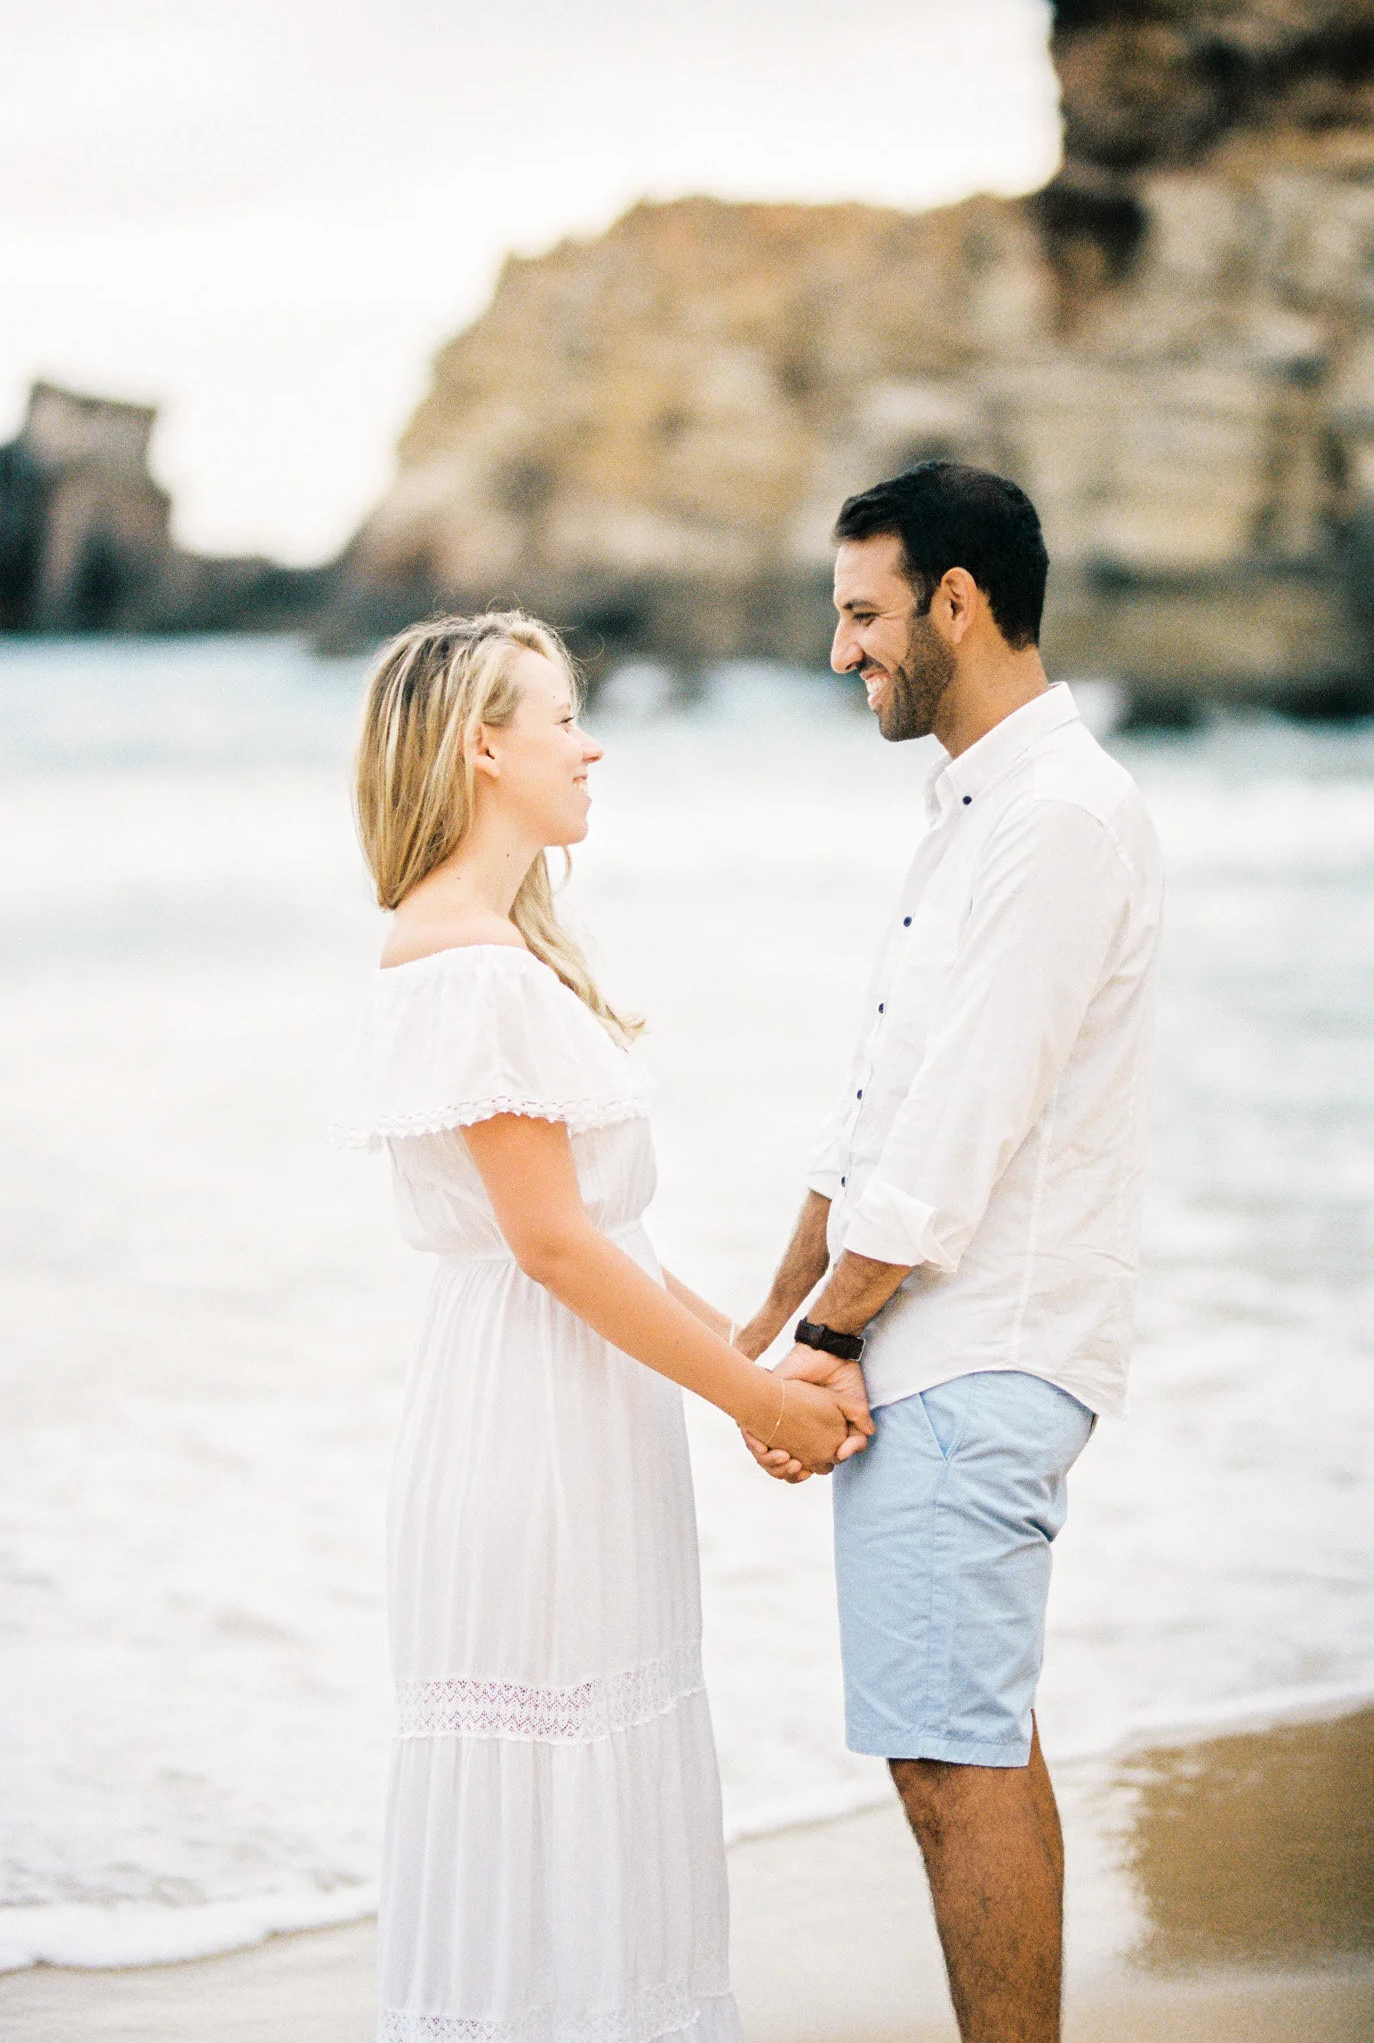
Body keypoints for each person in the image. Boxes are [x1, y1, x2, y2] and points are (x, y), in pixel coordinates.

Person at [333, 611, 865, 2043]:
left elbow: (606, 1242)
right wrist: (755, 1406)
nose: (590, 745)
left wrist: (755, 1365)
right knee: (556, 1756)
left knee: (586, 1751)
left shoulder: (482, 951)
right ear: (480, 747)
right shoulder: (469, 967)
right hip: (535, 1433)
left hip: (551, 1408)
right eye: (561, 717)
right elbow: (556, 1246)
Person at [737, 463, 1163, 2043]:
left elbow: (952, 1138)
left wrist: (830, 1343)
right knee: (966, 1744)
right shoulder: (979, 811)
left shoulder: (1055, 821)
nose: (843, 650)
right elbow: (879, 1112)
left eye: (863, 613)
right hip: (944, 1345)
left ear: (958, 602)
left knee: (949, 1764)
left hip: (977, 1353)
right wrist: (766, 1320)